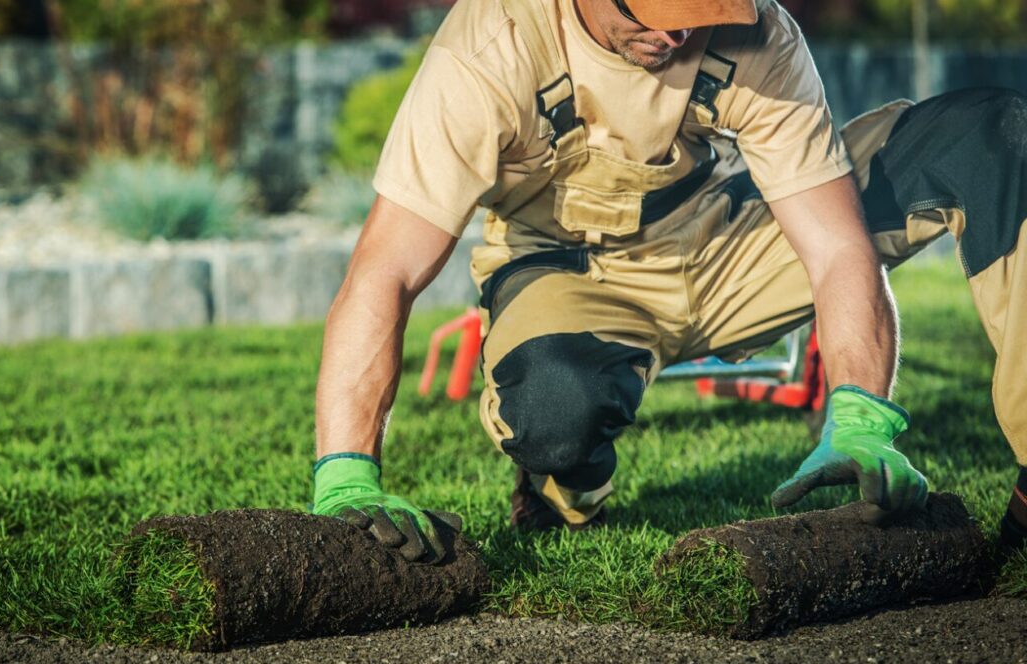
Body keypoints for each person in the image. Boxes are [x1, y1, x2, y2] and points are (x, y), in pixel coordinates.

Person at [309, 0, 1027, 562]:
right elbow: (387, 270)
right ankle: (564, 485)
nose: (674, 35)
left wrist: (862, 418)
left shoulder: (759, 33)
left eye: (697, 12)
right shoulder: (489, 47)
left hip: (721, 239)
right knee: (557, 408)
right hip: (568, 268)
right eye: (648, 9)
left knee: (987, 134)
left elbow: (838, 248)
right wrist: (346, 472)